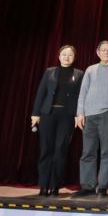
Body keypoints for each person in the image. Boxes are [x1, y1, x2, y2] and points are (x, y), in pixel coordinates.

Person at [73, 41, 108, 198]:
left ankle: (102, 186)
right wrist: (80, 113)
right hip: (89, 115)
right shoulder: (90, 69)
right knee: (87, 152)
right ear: (97, 52)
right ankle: (87, 186)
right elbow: (83, 92)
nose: (106, 52)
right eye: (103, 50)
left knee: (107, 152)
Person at [31, 45, 84, 197]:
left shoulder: (79, 74)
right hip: (48, 114)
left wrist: (78, 114)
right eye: (64, 54)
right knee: (46, 150)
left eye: (70, 55)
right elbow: (41, 93)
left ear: (74, 57)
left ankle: (55, 186)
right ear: (59, 56)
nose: (67, 57)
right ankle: (43, 185)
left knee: (60, 150)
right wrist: (35, 113)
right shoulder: (49, 71)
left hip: (67, 116)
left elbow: (80, 96)